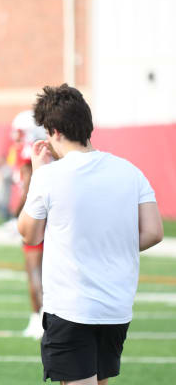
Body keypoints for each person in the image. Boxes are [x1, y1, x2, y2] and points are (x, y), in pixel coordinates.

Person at [18, 84, 163, 385]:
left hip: (71, 308)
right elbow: (153, 232)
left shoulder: (50, 176)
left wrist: (37, 172)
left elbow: (29, 234)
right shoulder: (130, 171)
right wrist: (111, 246)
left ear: (54, 131)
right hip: (116, 308)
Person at [6, 110, 46, 339]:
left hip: (35, 219)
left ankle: (37, 319)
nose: (16, 137)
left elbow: (28, 185)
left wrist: (16, 215)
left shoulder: (30, 152)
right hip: (49, 218)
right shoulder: (52, 150)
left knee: (34, 272)